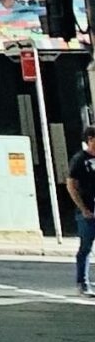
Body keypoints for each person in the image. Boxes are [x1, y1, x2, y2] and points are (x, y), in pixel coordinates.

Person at [66, 123, 95, 298]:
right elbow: (71, 185)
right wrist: (83, 208)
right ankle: (83, 282)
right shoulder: (80, 159)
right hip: (88, 210)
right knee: (86, 247)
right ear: (90, 140)